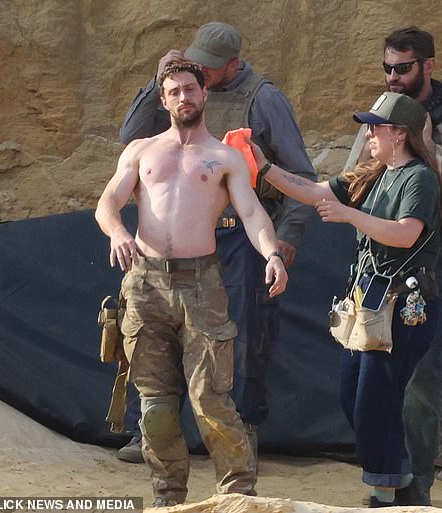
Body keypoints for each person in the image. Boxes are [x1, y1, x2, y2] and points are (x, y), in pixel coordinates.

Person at [117, 21, 315, 465]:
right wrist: (156, 85)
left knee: (240, 336)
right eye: (188, 76)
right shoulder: (178, 94)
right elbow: (129, 140)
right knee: (154, 332)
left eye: (205, 74)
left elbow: (301, 175)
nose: (195, 84)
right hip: (180, 240)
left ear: (234, 65)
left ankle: (240, 434)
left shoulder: (263, 98)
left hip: (242, 235)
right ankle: (149, 430)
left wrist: (284, 240)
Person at [95, 62, 288, 506]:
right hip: (145, 285)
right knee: (157, 408)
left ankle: (237, 494)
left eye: (190, 89)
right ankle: (169, 499)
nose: (183, 97)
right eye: (174, 91)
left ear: (204, 95)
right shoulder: (141, 151)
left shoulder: (224, 157)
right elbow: (108, 202)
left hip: (202, 284)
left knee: (211, 401)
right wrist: (119, 232)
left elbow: (253, 213)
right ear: (163, 101)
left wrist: (273, 254)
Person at [248, 91, 442, 508]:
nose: (369, 133)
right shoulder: (375, 172)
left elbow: (406, 233)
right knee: (353, 395)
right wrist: (263, 165)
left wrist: (351, 216)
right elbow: (312, 190)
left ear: (400, 134)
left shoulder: (420, 178)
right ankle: (404, 482)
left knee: (377, 397)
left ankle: (386, 492)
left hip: (402, 306)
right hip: (368, 304)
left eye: (377, 127)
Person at [345, 26, 442, 506]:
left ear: (428, 66)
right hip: (381, 262)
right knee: (369, 376)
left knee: (420, 379)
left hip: (432, 259)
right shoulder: (381, 116)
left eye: (402, 68)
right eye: (387, 68)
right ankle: (392, 477)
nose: (392, 77)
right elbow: (354, 178)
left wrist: (429, 147)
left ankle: (415, 489)